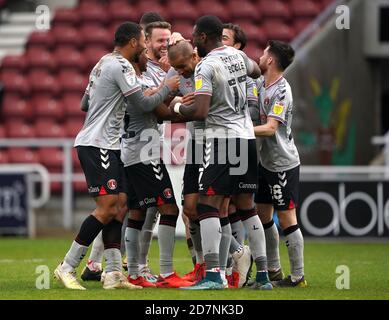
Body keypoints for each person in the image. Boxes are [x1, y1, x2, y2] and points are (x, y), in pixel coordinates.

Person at [54, 22, 179, 290]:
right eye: (144, 44)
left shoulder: (102, 62)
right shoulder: (121, 66)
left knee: (120, 206)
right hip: (98, 143)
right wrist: (168, 86)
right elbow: (143, 104)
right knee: (108, 207)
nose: (145, 49)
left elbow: (84, 104)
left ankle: (112, 273)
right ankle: (67, 266)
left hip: (109, 144)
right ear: (133, 42)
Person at [172, 16, 271, 290]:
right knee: (247, 207)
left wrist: (179, 107)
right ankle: (263, 276)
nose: (193, 42)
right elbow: (257, 70)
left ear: (204, 37)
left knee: (208, 205)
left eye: (194, 37)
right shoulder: (238, 56)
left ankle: (214, 275)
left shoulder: (206, 66)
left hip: (222, 140)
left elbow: (201, 111)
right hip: (247, 137)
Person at [122, 50, 193, 288]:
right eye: (143, 51)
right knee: (170, 209)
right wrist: (192, 109)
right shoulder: (137, 81)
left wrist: (167, 94)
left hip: (132, 151)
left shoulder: (131, 80)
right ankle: (166, 272)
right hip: (145, 152)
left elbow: (157, 104)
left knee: (137, 212)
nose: (147, 55)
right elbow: (160, 112)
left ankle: (133, 273)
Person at [253, 40, 307, 287]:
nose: (260, 57)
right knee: (263, 215)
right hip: (265, 162)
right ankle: (273, 268)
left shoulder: (282, 90)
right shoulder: (260, 84)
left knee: (286, 217)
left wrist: (241, 130)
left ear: (271, 59)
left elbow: (271, 128)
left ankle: (298, 276)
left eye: (264, 53)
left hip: (282, 163)